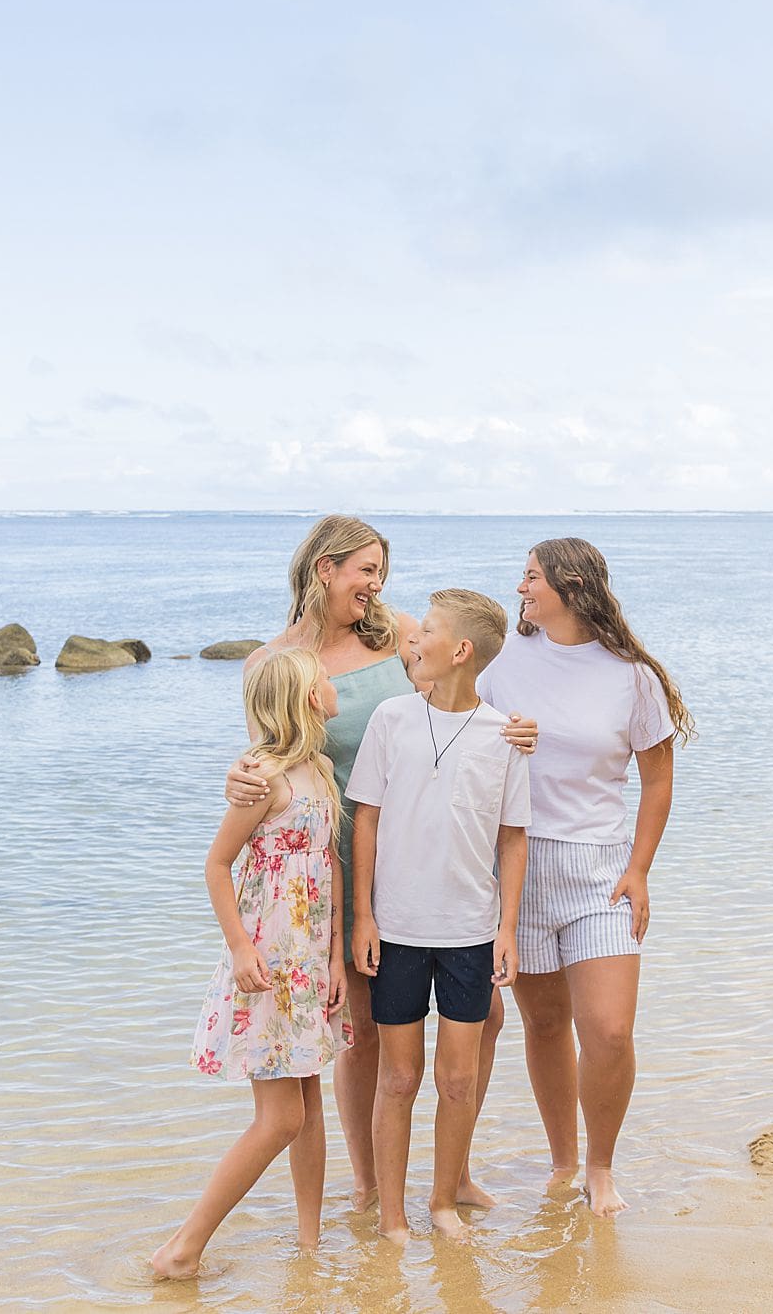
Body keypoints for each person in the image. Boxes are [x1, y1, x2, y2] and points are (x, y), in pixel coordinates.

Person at [223, 515, 537, 1211]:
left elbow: (455, 691)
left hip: (425, 857)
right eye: (366, 569)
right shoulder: (271, 662)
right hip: (328, 862)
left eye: (381, 572)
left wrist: (514, 726)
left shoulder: (394, 634)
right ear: (325, 567)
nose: (377, 585)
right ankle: (370, 1186)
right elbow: (269, 754)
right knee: (361, 1032)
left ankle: (451, 1173)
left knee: (485, 1015)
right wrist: (236, 783)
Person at [476, 538, 693, 1219]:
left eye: (531, 577)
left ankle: (601, 1164)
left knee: (609, 1031)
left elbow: (657, 777)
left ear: (570, 585)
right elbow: (448, 725)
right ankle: (564, 1160)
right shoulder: (503, 661)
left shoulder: (632, 676)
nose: (520, 588)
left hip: (599, 870)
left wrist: (639, 869)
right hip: (519, 865)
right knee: (544, 1022)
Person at [151, 648, 352, 1277]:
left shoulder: (320, 768)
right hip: (268, 961)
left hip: (311, 962)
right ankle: (182, 1248)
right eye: (323, 675)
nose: (331, 680)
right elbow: (217, 864)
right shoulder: (262, 777)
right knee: (281, 1118)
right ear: (303, 696)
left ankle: (310, 1243)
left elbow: (329, 864)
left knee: (309, 1100)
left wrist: (337, 959)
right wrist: (240, 947)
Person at [348, 589, 530, 1242]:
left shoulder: (505, 735)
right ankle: (391, 1214)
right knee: (398, 1077)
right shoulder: (391, 720)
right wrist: (363, 915)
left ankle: (442, 1203)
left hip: (469, 934)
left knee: (457, 1078)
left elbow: (513, 836)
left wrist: (506, 927)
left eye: (425, 629)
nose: (413, 638)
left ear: (460, 651)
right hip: (395, 930)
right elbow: (365, 815)